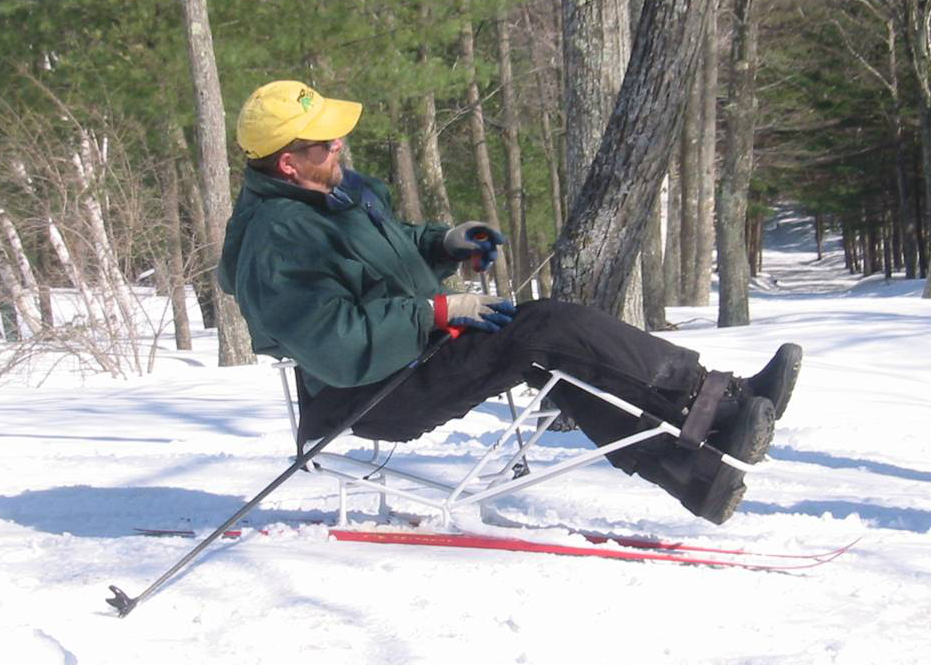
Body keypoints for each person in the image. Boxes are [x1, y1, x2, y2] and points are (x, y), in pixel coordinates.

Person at [219, 81, 803, 525]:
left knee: (552, 357)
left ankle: (695, 475)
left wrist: (446, 242)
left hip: (410, 357)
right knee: (546, 327)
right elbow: (338, 343)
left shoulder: (335, 194)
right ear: (288, 163)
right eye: (324, 141)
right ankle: (721, 400)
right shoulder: (277, 241)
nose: (339, 143)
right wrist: (436, 312)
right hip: (369, 395)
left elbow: (390, 251)